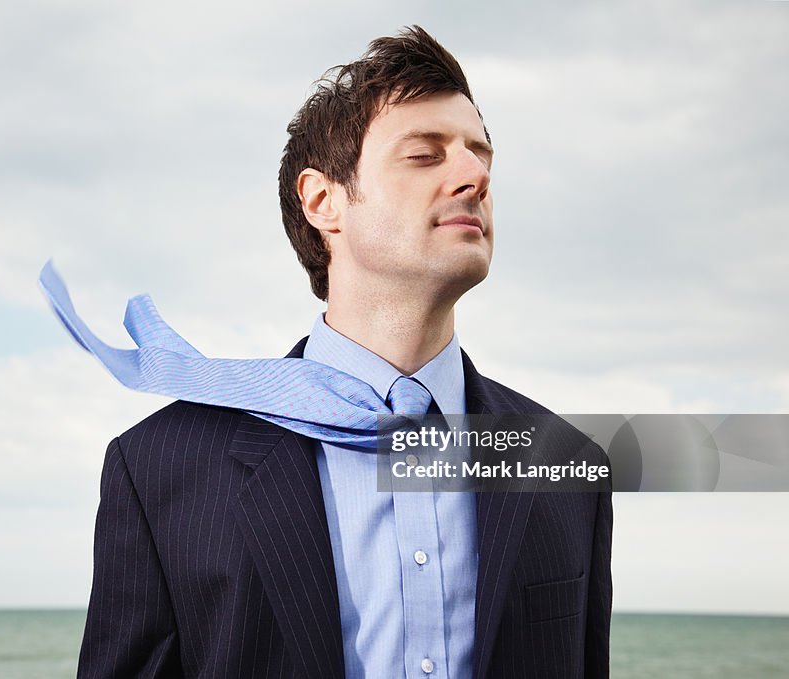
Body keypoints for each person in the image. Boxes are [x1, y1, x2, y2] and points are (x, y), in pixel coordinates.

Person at [72, 25, 612, 679]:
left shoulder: (568, 463)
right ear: (324, 201)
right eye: (424, 155)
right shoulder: (158, 466)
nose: (474, 176)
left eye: (480, 154)